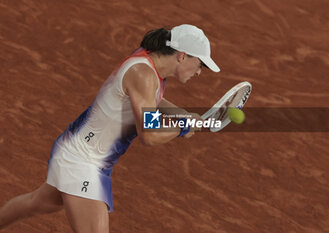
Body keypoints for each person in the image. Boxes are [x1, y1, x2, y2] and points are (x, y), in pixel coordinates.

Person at [0, 24, 220, 233]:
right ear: (182, 56)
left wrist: (181, 114)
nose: (199, 72)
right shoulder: (144, 75)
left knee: (36, 203)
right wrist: (182, 126)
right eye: (200, 64)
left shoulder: (148, 61)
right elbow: (149, 135)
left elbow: (148, 99)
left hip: (76, 150)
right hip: (82, 162)